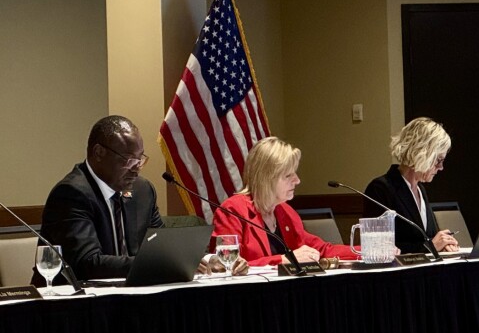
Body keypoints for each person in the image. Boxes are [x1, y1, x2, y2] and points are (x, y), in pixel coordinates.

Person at [35, 115, 244, 284]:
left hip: (131, 297)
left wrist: (204, 259)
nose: (137, 169)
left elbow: (162, 244)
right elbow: (87, 263)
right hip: (74, 308)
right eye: (128, 160)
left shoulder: (143, 191)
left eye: (140, 159)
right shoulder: (71, 194)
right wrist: (155, 264)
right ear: (98, 153)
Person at [212, 136, 356, 266]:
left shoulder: (285, 212)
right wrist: (283, 260)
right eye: (288, 175)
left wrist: (370, 250)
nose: (297, 181)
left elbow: (322, 250)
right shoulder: (232, 210)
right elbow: (226, 265)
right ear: (266, 178)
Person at [363, 117, 459, 255]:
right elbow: (379, 248)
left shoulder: (420, 189)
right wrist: (430, 247)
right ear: (422, 153)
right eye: (438, 160)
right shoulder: (380, 188)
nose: (441, 167)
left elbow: (426, 239)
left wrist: (444, 244)